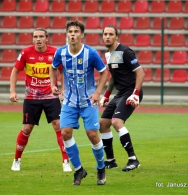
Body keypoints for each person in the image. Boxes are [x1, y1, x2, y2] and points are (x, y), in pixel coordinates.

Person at [50, 20, 108, 186]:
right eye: (70, 32)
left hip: (88, 101)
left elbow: (104, 73)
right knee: (65, 132)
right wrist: (52, 84)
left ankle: (101, 167)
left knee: (92, 134)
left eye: (76, 31)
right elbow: (53, 68)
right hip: (69, 101)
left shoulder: (91, 53)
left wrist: (98, 93)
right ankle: (79, 169)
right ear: (66, 34)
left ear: (82, 35)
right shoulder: (60, 52)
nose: (73, 34)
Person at [10, 28, 72, 172]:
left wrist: (63, 89)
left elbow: (63, 72)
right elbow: (15, 71)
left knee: (59, 126)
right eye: (35, 37)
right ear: (33, 39)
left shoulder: (55, 52)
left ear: (46, 38)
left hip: (51, 96)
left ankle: (65, 161)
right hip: (32, 97)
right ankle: (16, 160)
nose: (38, 39)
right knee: (26, 128)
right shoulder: (25, 52)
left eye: (41, 37)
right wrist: (12, 91)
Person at [99, 25, 145, 171]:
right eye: (105, 34)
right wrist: (106, 95)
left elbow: (140, 73)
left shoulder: (125, 52)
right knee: (103, 123)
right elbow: (113, 77)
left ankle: (133, 159)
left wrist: (135, 94)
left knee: (117, 122)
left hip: (131, 92)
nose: (107, 36)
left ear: (116, 36)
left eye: (110, 34)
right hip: (120, 93)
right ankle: (111, 160)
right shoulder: (108, 54)